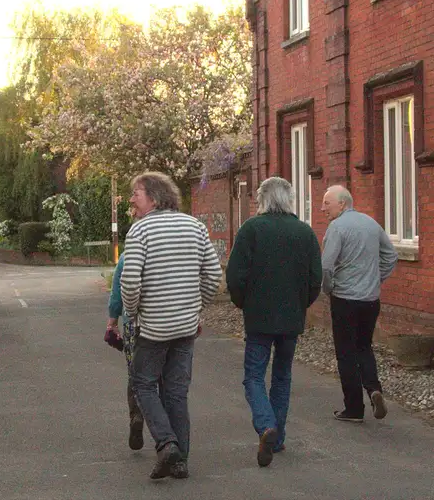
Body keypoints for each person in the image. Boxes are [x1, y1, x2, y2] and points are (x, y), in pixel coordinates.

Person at [118, 171, 222, 480]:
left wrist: (133, 313)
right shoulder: (195, 226)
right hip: (186, 325)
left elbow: (130, 280)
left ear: (152, 195)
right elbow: (213, 275)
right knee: (177, 390)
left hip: (153, 326)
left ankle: (166, 443)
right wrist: (195, 308)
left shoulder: (140, 230)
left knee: (143, 383)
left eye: (135, 193)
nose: (132, 200)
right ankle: (180, 462)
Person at [225, 176, 321, 468]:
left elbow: (235, 275)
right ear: (288, 198)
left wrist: (243, 302)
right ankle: (276, 438)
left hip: (258, 317)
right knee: (282, 375)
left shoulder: (251, 230)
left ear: (263, 199)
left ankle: (266, 424)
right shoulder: (305, 232)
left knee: (253, 376)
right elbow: (316, 279)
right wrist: (301, 303)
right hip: (291, 317)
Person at [319, 184, 397, 423]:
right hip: (370, 300)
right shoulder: (371, 223)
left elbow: (326, 266)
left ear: (342, 203)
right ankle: (374, 389)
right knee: (364, 346)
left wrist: (328, 288)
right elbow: (391, 256)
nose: (323, 209)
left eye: (327, 203)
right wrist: (376, 279)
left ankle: (353, 408)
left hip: (345, 300)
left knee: (346, 353)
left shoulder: (337, 227)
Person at [106, 248, 145, 452]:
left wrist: (112, 323)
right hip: (163, 323)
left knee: (135, 373)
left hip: (133, 323)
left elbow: (117, 292)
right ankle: (165, 429)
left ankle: (136, 416)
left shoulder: (127, 256)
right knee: (163, 376)